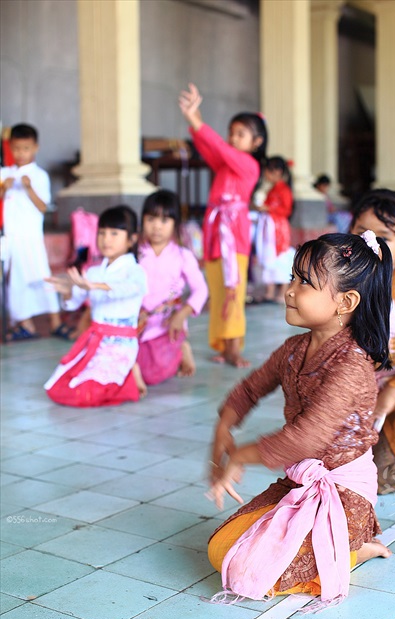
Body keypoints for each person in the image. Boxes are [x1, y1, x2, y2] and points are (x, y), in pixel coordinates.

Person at [206, 231, 393, 610]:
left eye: (304, 282)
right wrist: (224, 426)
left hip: (343, 492)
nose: (290, 290)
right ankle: (346, 546)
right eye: (293, 277)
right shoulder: (296, 348)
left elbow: (305, 439)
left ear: (346, 302)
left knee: (246, 572)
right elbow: (249, 389)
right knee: (221, 546)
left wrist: (239, 456)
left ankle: (358, 547)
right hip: (302, 477)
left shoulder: (351, 365)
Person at [179, 83, 267, 368]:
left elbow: (217, 145)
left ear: (257, 143)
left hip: (235, 238)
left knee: (234, 290)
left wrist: (196, 120)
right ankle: (222, 344)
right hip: (215, 234)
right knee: (217, 291)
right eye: (231, 132)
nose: (232, 137)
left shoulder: (249, 165)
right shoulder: (225, 166)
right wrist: (194, 119)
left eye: (240, 133)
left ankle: (233, 347)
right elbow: (209, 147)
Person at [350, 189, 395, 494]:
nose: (370, 245)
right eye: (360, 233)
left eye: (383, 238)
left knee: (380, 480)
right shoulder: (340, 283)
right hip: (360, 392)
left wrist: (394, 389)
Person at [44, 205, 148, 407]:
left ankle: (129, 375)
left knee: (87, 394)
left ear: (132, 239)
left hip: (120, 345)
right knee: (59, 389)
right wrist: (68, 289)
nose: (106, 239)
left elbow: (128, 289)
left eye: (114, 233)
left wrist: (93, 286)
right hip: (94, 341)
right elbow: (73, 302)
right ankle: (128, 377)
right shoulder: (93, 272)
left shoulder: (135, 271)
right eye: (102, 233)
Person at [0, 123, 69, 340]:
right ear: (10, 148)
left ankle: (55, 321)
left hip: (31, 238)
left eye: (26, 148)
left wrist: (28, 188)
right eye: (17, 149)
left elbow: (43, 207)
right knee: (15, 282)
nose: (21, 153)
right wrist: (4, 188)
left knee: (41, 278)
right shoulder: (4, 173)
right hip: (12, 238)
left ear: (35, 148)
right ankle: (25, 325)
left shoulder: (39, 176)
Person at [136, 190, 208, 389]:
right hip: (137, 324)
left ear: (175, 224)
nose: (156, 226)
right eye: (151, 219)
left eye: (164, 220)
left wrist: (181, 315)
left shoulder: (183, 256)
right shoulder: (135, 254)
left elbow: (201, 290)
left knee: (151, 376)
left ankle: (181, 348)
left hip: (168, 325)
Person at [254, 156, 294, 304]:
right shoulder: (272, 190)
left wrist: (268, 208)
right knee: (268, 255)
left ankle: (283, 291)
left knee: (280, 257)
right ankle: (269, 291)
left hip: (278, 229)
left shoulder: (284, 190)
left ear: (277, 172)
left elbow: (286, 210)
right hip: (269, 227)